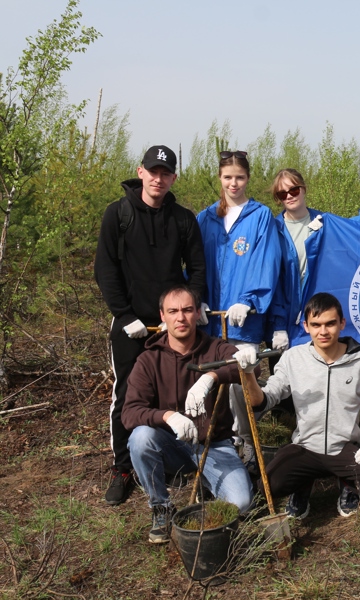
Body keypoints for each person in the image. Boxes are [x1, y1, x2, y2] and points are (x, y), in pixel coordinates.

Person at [94, 145, 206, 506]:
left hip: (171, 324)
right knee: (127, 394)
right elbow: (105, 269)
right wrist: (125, 316)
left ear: (174, 178)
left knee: (178, 387)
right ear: (141, 172)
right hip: (131, 325)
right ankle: (123, 467)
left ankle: (176, 458)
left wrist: (192, 306)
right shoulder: (118, 214)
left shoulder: (184, 219)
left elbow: (198, 269)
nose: (159, 178)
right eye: (153, 171)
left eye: (166, 173)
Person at [241, 293, 360, 518]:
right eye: (315, 325)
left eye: (330, 324)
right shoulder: (293, 358)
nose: (323, 332)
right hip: (305, 446)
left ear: (342, 323)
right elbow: (262, 401)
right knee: (269, 485)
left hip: (344, 448)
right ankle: (302, 485)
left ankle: (347, 483)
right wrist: (248, 374)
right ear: (306, 326)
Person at [121, 285, 258, 544]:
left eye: (187, 310)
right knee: (140, 437)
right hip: (171, 445)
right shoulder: (149, 360)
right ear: (162, 316)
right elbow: (130, 413)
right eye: (173, 311)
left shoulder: (216, 348)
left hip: (214, 445)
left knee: (241, 504)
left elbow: (249, 368)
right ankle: (161, 506)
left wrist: (212, 375)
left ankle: (208, 480)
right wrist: (167, 417)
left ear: (198, 313)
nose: (180, 318)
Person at [196, 151, 282, 466]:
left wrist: (248, 299)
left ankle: (247, 442)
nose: (234, 183)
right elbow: (195, 264)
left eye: (240, 177)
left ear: (248, 178)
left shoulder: (260, 216)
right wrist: (197, 299)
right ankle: (219, 443)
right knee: (211, 384)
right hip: (211, 320)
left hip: (243, 320)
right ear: (220, 178)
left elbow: (268, 262)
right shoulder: (205, 218)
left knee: (239, 381)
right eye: (228, 177)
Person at [267, 168, 324, 349]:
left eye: (294, 190)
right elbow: (272, 281)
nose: (289, 196)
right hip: (283, 324)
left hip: (318, 321)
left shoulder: (325, 224)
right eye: (283, 194)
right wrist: (278, 326)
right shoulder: (272, 230)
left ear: (303, 189)